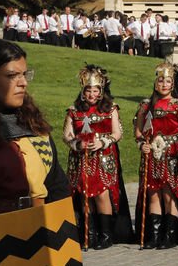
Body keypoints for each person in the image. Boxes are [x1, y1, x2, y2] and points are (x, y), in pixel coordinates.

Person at [0, 40, 71, 265]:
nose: (22, 83)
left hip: (42, 244)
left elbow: (57, 186)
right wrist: (1, 244)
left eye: (25, 74)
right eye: (11, 76)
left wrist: (60, 232)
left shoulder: (35, 128)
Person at [62, 65, 130, 249]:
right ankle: (89, 234)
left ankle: (106, 235)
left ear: (101, 91)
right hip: (81, 159)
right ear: (83, 91)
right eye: (88, 90)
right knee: (85, 196)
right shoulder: (74, 111)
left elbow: (118, 133)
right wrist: (76, 143)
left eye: (95, 90)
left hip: (103, 159)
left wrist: (102, 142)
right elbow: (66, 134)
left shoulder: (111, 109)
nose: (92, 94)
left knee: (101, 195)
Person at [134, 62, 178, 249]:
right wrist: (142, 144)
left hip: (171, 153)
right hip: (152, 155)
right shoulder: (145, 105)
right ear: (155, 83)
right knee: (153, 194)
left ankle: (170, 235)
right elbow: (138, 129)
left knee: (169, 194)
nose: (164, 84)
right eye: (160, 80)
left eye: (168, 81)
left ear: (173, 84)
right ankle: (155, 235)